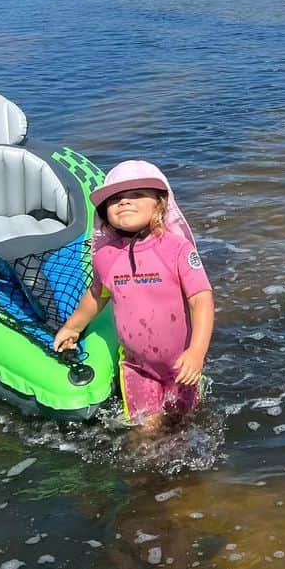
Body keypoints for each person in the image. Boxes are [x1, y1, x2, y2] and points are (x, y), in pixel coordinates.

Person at [53, 160, 214, 424]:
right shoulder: (105, 256)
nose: (124, 202)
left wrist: (196, 353)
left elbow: (202, 300)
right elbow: (96, 295)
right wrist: (72, 327)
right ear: (105, 212)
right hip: (137, 366)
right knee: (144, 432)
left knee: (187, 423)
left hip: (182, 362)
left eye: (136, 195)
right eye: (115, 199)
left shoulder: (177, 250)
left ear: (160, 204)